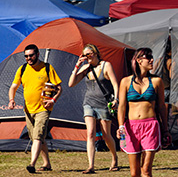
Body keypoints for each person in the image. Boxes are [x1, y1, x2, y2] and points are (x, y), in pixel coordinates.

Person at [8, 44, 62, 174]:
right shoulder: (22, 69)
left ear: (37, 54)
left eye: (31, 55)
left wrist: (52, 100)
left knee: (38, 135)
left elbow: (59, 88)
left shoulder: (47, 68)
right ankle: (47, 163)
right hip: (28, 110)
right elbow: (13, 87)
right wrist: (11, 100)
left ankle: (32, 163)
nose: (28, 58)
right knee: (36, 138)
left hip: (43, 109)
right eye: (26, 56)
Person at [117, 47, 170, 177]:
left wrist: (165, 129)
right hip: (131, 127)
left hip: (150, 126)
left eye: (152, 57)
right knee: (134, 173)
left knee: (146, 170)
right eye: (148, 57)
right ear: (139, 61)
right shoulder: (125, 81)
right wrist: (121, 126)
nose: (152, 60)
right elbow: (122, 106)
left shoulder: (157, 81)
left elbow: (162, 107)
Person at [68, 44, 119, 174]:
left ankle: (114, 157)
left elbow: (114, 83)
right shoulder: (86, 68)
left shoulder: (106, 65)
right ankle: (91, 165)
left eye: (89, 54)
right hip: (89, 102)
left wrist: (116, 99)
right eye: (85, 55)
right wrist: (77, 66)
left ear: (96, 53)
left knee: (106, 134)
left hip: (103, 103)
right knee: (90, 133)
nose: (87, 57)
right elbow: (71, 83)